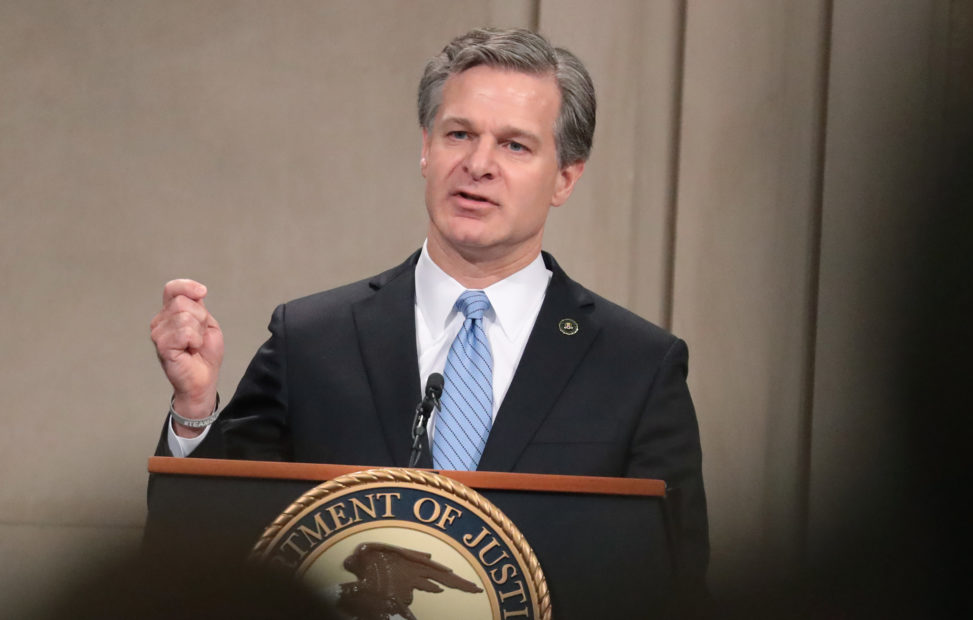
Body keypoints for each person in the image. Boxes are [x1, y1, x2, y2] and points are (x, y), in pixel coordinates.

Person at [149, 28, 708, 583]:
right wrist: (195, 408)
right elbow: (209, 559)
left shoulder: (636, 367)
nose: (479, 164)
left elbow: (677, 584)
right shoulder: (312, 340)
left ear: (565, 177)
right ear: (425, 148)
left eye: (515, 145)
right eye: (459, 133)